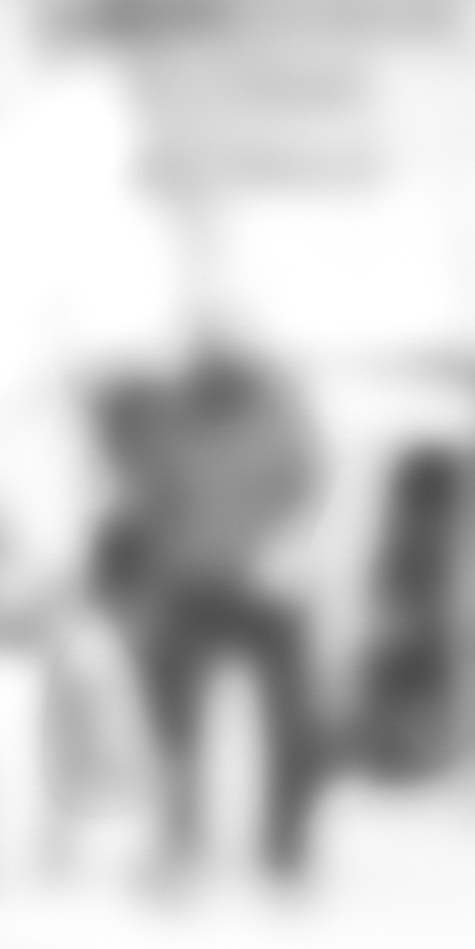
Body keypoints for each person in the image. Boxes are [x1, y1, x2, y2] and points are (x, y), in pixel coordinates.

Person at [96, 345, 325, 883]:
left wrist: (281, 543)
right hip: (196, 583)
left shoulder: (270, 415)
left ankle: (277, 843)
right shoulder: (178, 422)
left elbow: (302, 485)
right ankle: (184, 839)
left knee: (285, 722)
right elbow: (145, 496)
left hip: (260, 584)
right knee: (176, 724)